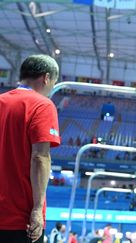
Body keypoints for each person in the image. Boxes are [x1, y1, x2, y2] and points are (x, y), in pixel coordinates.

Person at [0, 54, 61, 243]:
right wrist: (37, 209)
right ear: (46, 78)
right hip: (20, 218)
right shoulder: (42, 105)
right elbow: (40, 158)